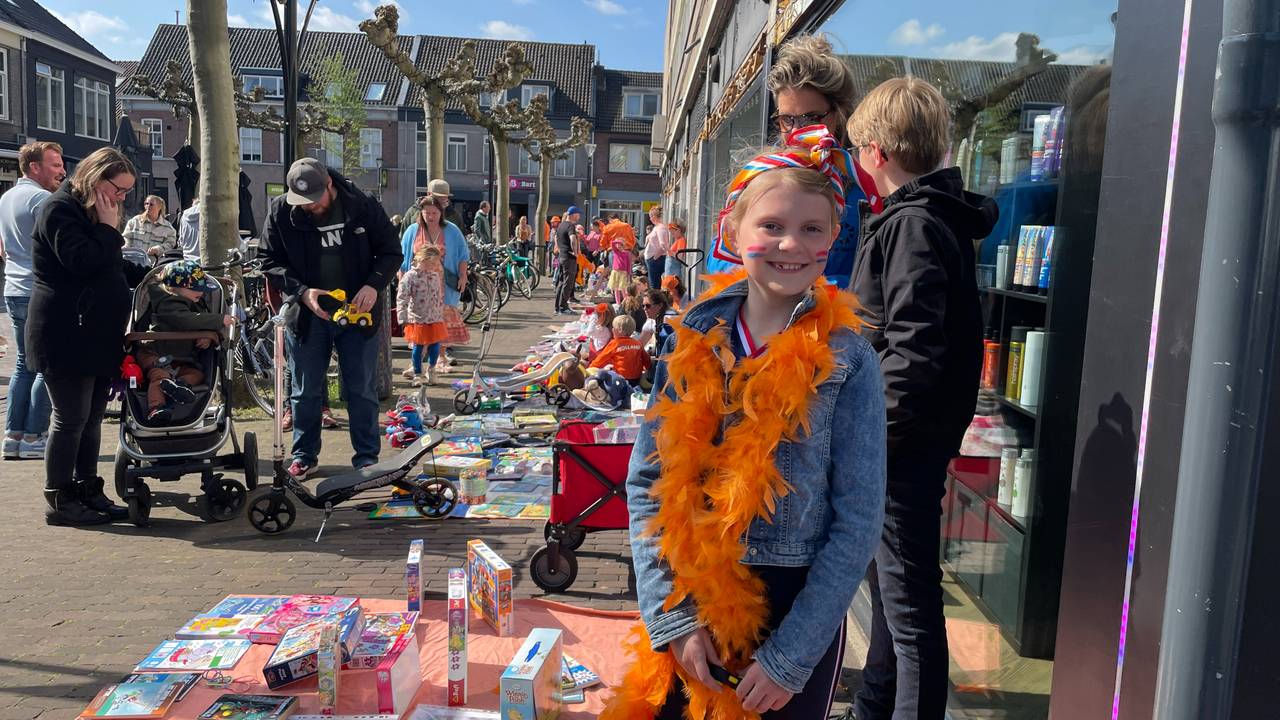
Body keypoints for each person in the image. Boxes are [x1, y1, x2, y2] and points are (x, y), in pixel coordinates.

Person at [602, 126, 886, 719]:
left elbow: (858, 522)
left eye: (812, 229)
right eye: (772, 225)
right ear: (732, 230)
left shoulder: (850, 361)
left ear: (834, 237)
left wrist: (790, 658)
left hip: (797, 605)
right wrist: (672, 619)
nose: (791, 244)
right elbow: (647, 483)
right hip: (692, 591)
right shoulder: (691, 340)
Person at [847, 78, 998, 720]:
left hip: (899, 446)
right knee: (891, 593)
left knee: (909, 607)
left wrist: (870, 439)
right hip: (908, 439)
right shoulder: (923, 219)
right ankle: (873, 706)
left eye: (858, 149)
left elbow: (913, 347)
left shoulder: (911, 224)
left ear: (875, 152)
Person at [702, 33, 881, 288]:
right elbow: (719, 258)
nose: (797, 132)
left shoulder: (865, 187)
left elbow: (876, 277)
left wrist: (811, 287)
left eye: (811, 119)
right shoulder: (761, 176)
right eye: (787, 120)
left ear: (840, 113)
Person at [260, 158, 402, 479]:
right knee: (305, 389)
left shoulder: (362, 205)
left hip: (357, 312)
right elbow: (267, 260)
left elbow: (391, 251)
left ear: (329, 185)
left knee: (360, 388)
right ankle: (304, 455)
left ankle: (367, 458)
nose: (308, 206)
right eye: (301, 201)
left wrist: (373, 284)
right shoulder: (281, 211)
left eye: (314, 199)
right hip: (306, 314)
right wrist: (302, 292)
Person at [28, 147, 145, 525]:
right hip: (66, 333)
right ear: (96, 179)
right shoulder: (59, 210)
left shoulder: (95, 212)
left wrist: (153, 276)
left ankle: (88, 489)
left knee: (92, 417)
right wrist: (109, 230)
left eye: (126, 192)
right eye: (118, 189)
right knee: (70, 418)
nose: (121, 198)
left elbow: (110, 265)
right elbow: (80, 261)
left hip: (95, 334)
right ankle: (59, 498)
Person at [0, 140, 63, 461]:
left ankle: (13, 436)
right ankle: (35, 437)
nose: (62, 171)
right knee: (47, 365)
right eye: (55, 165)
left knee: (24, 364)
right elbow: (55, 247)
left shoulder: (6, 197)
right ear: (34, 167)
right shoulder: (42, 199)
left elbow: (2, 248)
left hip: (13, 288)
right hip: (39, 290)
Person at [137, 260, 234, 423]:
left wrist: (208, 336)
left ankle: (178, 386)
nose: (201, 293)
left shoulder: (196, 303)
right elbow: (184, 320)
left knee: (196, 375)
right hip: (156, 353)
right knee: (159, 376)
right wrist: (217, 320)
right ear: (175, 288)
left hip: (181, 359)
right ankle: (156, 408)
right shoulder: (167, 302)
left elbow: (197, 321)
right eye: (195, 289)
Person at [400, 194, 469, 374]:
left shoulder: (452, 230)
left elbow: (463, 254)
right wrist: (401, 280)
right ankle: (416, 363)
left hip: (443, 285)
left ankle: (441, 358)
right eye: (427, 213)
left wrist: (463, 275)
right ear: (421, 213)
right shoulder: (412, 231)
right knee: (419, 322)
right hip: (418, 287)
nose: (430, 216)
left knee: (442, 321)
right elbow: (403, 258)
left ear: (441, 213)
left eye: (434, 213)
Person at [397, 245, 447, 385]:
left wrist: (441, 311)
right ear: (423, 259)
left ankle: (431, 369)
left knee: (435, 345)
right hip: (418, 318)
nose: (435, 266)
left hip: (434, 317)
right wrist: (402, 316)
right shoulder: (410, 276)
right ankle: (417, 373)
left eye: (436, 263)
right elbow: (402, 297)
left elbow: (439, 296)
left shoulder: (435, 276)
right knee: (418, 346)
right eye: (433, 263)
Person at [588, 314, 650, 383]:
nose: (612, 329)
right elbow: (646, 359)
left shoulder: (615, 343)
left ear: (620, 330)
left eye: (614, 328)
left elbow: (601, 358)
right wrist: (649, 370)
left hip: (620, 378)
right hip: (636, 378)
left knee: (604, 375)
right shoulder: (637, 343)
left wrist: (590, 368)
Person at [553, 206, 582, 315]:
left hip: (562, 256)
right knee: (568, 283)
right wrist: (575, 252)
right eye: (578, 214)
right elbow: (573, 239)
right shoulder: (570, 226)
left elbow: (556, 238)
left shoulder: (561, 225)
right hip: (569, 258)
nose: (579, 217)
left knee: (562, 282)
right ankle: (563, 307)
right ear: (573, 214)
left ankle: (557, 307)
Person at [604, 218, 637, 303]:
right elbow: (612, 244)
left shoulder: (627, 253)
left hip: (623, 272)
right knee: (616, 289)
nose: (618, 246)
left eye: (620, 245)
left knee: (623, 289)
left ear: (623, 245)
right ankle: (618, 303)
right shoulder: (615, 252)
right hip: (615, 271)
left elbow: (629, 264)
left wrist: (629, 274)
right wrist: (617, 241)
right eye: (617, 245)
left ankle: (625, 302)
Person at [635, 287, 675, 353]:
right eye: (643, 306)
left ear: (660, 305)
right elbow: (639, 345)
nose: (645, 309)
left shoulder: (670, 318)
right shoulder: (651, 321)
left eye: (648, 306)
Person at [642, 205, 669, 284]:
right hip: (654, 259)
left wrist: (654, 258)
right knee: (654, 283)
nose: (650, 219)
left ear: (654, 216)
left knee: (654, 284)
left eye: (650, 216)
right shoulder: (657, 227)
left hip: (656, 259)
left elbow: (663, 245)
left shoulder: (660, 228)